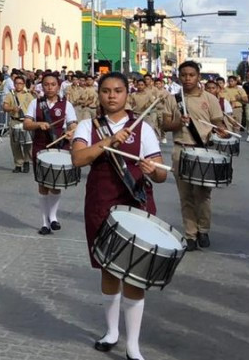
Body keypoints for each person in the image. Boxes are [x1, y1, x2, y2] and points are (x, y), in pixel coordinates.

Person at [70, 71, 168, 360]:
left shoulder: (144, 129)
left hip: (136, 203)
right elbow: (78, 158)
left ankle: (133, 345)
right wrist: (110, 141)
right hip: (101, 203)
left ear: (127, 94)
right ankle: (111, 331)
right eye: (106, 91)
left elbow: (161, 173)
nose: (112, 96)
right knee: (108, 269)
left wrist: (154, 170)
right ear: (99, 94)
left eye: (118, 90)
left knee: (135, 274)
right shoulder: (87, 126)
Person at [163, 61, 228, 251]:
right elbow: (166, 125)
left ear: (199, 77)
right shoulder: (173, 99)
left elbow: (218, 122)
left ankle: (204, 230)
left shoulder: (210, 98)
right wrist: (178, 123)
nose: (187, 78)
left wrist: (221, 131)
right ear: (179, 76)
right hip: (180, 149)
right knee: (185, 195)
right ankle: (190, 234)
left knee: (203, 194)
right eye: (184, 75)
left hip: (203, 150)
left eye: (191, 75)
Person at [25, 71, 77, 235]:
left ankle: (53, 217)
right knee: (42, 184)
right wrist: (38, 124)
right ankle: (44, 222)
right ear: (42, 86)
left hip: (59, 146)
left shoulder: (66, 105)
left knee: (56, 184)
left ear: (58, 86)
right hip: (40, 146)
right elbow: (26, 124)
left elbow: (73, 124)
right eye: (46, 84)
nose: (49, 87)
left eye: (53, 84)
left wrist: (71, 132)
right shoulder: (35, 103)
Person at [1, 75, 35, 173]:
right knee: (15, 144)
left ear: (23, 84)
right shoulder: (10, 95)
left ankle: (27, 161)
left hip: (26, 121)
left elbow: (34, 107)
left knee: (27, 144)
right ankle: (18, 164)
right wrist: (12, 108)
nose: (18, 85)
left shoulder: (28, 95)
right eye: (17, 83)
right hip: (14, 121)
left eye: (20, 83)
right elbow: (4, 107)